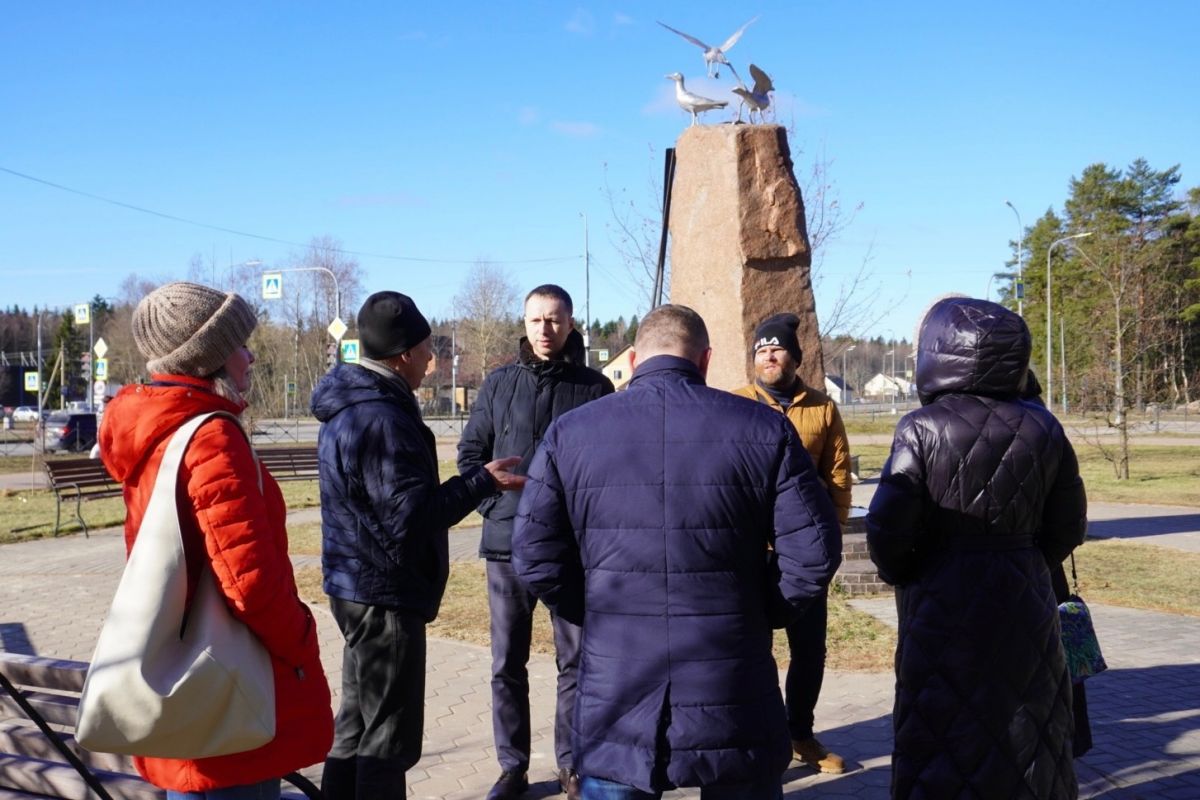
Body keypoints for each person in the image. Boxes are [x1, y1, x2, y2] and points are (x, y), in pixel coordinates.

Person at [511, 304, 843, 799]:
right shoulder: (764, 428)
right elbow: (814, 550)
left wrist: (596, 607)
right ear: (705, 359)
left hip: (617, 688)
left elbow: (534, 553)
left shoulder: (572, 433)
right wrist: (759, 609)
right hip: (732, 684)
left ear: (635, 357)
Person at [98, 281, 333, 799]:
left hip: (178, 669)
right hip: (222, 691)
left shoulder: (155, 430)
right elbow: (247, 581)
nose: (250, 356)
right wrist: (298, 637)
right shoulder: (211, 436)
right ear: (211, 357)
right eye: (240, 345)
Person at [866, 297, 1087, 799]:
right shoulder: (1044, 426)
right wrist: (1026, 561)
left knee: (941, 726)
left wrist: (914, 573)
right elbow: (1068, 525)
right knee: (1029, 722)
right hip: (1026, 600)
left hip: (941, 605)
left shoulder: (921, 428)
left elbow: (888, 529)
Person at [313, 291, 525, 798]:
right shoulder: (381, 418)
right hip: (385, 592)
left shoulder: (355, 403)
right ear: (404, 352)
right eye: (428, 347)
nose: (432, 359)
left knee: (357, 726)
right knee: (389, 740)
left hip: (355, 586)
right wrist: (481, 482)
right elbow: (410, 516)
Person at [458, 284, 614, 800]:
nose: (544, 330)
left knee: (576, 661)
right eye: (535, 320)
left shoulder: (594, 389)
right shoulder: (499, 384)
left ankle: (571, 765)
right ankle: (513, 767)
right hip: (506, 548)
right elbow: (470, 457)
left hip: (570, 551)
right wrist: (493, 505)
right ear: (523, 325)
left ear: (570, 324)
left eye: (554, 320)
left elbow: (607, 468)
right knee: (507, 663)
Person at [731, 312, 851, 774]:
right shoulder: (736, 404)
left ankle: (800, 732)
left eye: (776, 349)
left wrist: (830, 537)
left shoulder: (822, 408)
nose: (768, 356)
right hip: (749, 554)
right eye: (761, 350)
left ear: (795, 359)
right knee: (750, 648)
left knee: (809, 650)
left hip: (802, 553)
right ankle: (754, 737)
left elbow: (838, 478)